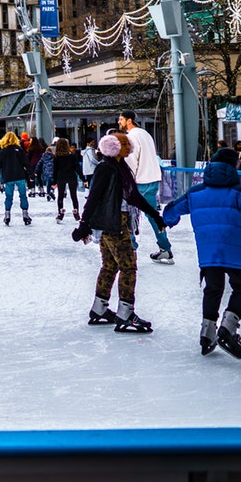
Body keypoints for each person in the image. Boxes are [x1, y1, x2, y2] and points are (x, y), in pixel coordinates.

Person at [163, 147, 241, 358]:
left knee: (213, 288)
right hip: (235, 252)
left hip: (209, 251)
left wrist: (168, 221)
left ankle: (207, 333)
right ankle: (227, 329)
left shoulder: (196, 192)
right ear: (233, 167)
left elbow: (172, 209)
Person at [72, 133, 163, 333]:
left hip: (112, 222)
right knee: (128, 267)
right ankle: (125, 314)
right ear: (112, 147)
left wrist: (155, 216)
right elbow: (93, 197)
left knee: (110, 265)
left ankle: (99, 309)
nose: (127, 146)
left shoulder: (120, 168)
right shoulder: (106, 169)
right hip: (113, 223)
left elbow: (134, 198)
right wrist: (84, 225)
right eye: (122, 143)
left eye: (126, 143)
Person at [118, 110, 174, 264]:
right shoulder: (145, 134)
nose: (119, 122)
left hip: (138, 182)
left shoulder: (131, 137)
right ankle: (165, 248)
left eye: (121, 119)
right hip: (152, 180)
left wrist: (126, 181)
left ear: (129, 121)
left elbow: (131, 161)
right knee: (153, 215)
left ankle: (131, 248)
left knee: (129, 216)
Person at [0, 131, 31, 226]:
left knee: (9, 197)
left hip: (8, 177)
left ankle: (7, 215)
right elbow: (26, 163)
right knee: (23, 196)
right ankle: (25, 214)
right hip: (20, 176)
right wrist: (31, 174)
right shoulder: (19, 150)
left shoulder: (2, 152)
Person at [54, 140, 82, 223]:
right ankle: (76, 211)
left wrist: (54, 181)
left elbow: (55, 170)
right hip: (71, 176)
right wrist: (82, 178)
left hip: (61, 177)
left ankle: (60, 212)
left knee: (60, 195)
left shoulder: (57, 157)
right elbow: (77, 167)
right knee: (74, 195)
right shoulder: (72, 155)